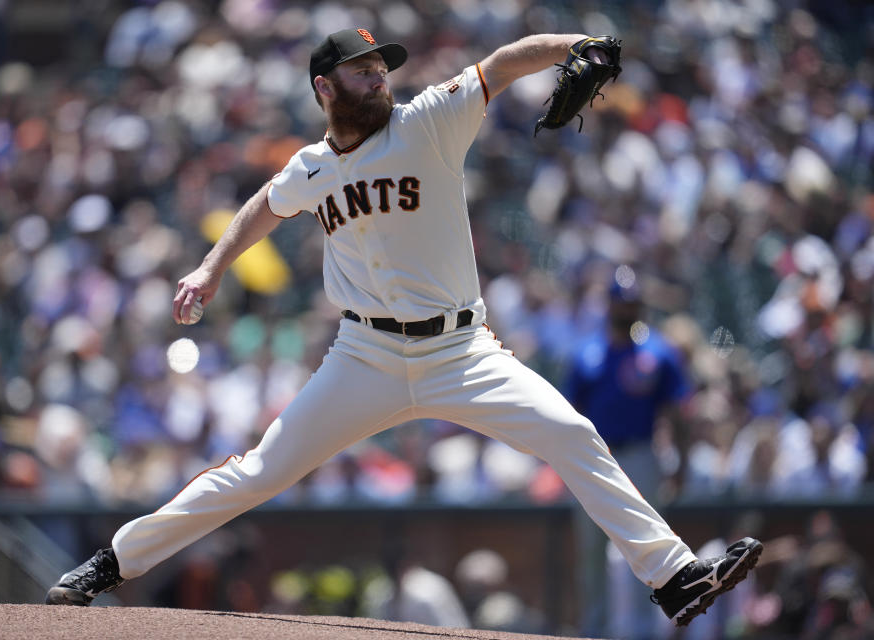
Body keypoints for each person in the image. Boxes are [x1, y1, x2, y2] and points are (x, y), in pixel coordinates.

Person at [45, 27, 761, 628]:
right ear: (325, 87)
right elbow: (267, 201)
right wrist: (212, 266)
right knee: (259, 471)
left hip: (462, 350)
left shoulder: (427, 120)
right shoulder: (312, 167)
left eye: (381, 67)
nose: (379, 77)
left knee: (571, 433)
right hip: (366, 355)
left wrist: (578, 45)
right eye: (362, 71)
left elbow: (504, 63)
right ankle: (113, 563)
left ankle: (673, 577)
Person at [564, 272, 693, 638]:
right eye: (621, 301)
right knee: (590, 552)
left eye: (632, 301)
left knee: (645, 548)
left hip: (640, 454)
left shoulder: (657, 351)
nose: (627, 308)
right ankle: (595, 631)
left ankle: (642, 633)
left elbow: (677, 414)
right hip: (593, 458)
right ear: (610, 304)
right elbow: (567, 413)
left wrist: (680, 461)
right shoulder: (586, 352)